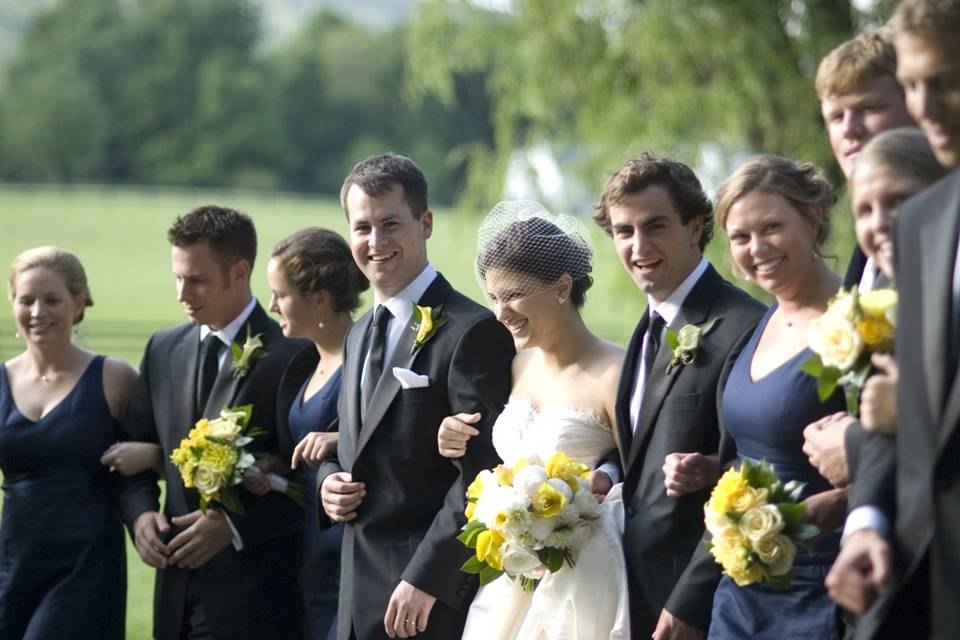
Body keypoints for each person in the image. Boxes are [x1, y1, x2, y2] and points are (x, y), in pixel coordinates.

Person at [317, 154, 514, 640]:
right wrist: (328, 480)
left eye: (390, 224)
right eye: (362, 228)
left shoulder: (472, 332)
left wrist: (427, 577)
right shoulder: (359, 333)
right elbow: (355, 442)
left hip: (423, 600)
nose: (375, 242)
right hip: (353, 590)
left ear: (424, 223)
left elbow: (482, 473)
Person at [587, 154, 765, 639]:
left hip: (703, 605)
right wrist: (607, 472)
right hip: (633, 592)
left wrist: (692, 599)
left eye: (655, 226)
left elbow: (750, 475)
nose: (638, 246)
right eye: (624, 232)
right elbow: (643, 441)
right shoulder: (647, 327)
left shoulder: (741, 326)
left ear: (695, 226)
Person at [826, 1, 960, 637]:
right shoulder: (926, 223)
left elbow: (906, 404)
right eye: (912, 84)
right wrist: (868, 525)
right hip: (910, 579)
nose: (926, 105)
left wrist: (911, 411)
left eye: (946, 81)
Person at [673, 155, 848, 639]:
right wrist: (711, 468)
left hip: (823, 588)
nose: (756, 248)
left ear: (812, 219)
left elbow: (910, 453)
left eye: (771, 227)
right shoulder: (764, 321)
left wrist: (848, 497)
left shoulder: (857, 323)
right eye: (741, 237)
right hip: (741, 589)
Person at [437, 201, 630, 639]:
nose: (501, 311)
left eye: (514, 294)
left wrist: (601, 484)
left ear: (562, 286)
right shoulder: (516, 366)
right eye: (494, 298)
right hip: (511, 578)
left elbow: (640, 477)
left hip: (584, 578)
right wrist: (450, 435)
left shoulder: (616, 372)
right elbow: (490, 457)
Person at [118, 206, 307, 640]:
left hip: (256, 599)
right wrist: (142, 515)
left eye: (197, 280)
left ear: (239, 272)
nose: (183, 293)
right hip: (173, 595)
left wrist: (236, 526)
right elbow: (134, 452)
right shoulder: (163, 349)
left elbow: (306, 480)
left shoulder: (291, 355)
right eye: (178, 278)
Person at [0, 246, 137, 638]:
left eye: (51, 300)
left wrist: (152, 454)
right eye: (26, 300)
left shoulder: (114, 378)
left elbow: (169, 451)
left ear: (79, 304)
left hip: (87, 564)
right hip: (16, 560)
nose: (37, 312)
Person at [802, 29, 917, 493]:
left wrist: (858, 447)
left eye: (869, 108)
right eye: (835, 115)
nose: (848, 128)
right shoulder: (865, 250)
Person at [247, 227, 369, 639]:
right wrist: (275, 469)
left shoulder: (367, 361)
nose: (271, 305)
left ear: (319, 298)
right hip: (306, 552)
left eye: (280, 294)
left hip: (349, 553)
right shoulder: (301, 365)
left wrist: (343, 442)